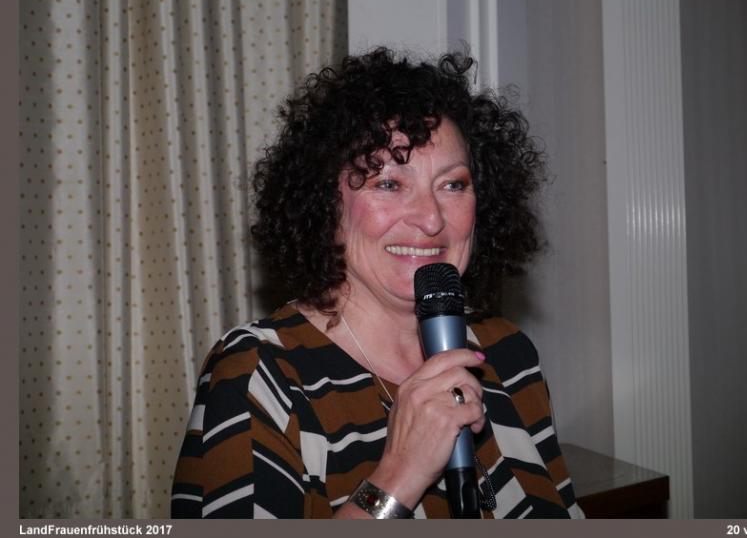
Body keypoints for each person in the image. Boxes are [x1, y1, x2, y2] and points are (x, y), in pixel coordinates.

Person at [171, 48, 584, 519]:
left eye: (453, 185)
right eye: (388, 184)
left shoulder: (508, 355)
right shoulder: (260, 374)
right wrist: (400, 474)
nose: (431, 219)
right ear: (325, 204)